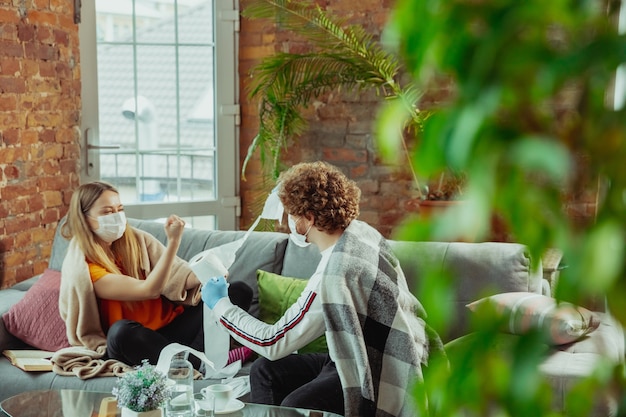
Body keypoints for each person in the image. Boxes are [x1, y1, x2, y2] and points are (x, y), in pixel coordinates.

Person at [201, 161, 443, 417]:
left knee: (298, 403)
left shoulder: (336, 273)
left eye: (293, 215)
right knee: (264, 371)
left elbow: (273, 341)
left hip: (374, 368)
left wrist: (220, 305)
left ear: (309, 218)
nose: (289, 223)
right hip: (360, 353)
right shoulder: (362, 234)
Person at [56, 181, 252, 377]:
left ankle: (195, 359)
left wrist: (208, 274)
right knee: (121, 332)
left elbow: (177, 274)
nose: (116, 217)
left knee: (237, 291)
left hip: (172, 330)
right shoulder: (85, 268)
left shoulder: (136, 240)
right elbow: (149, 290)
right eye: (107, 212)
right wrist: (174, 241)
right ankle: (200, 363)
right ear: (84, 219)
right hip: (137, 341)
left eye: (120, 209)